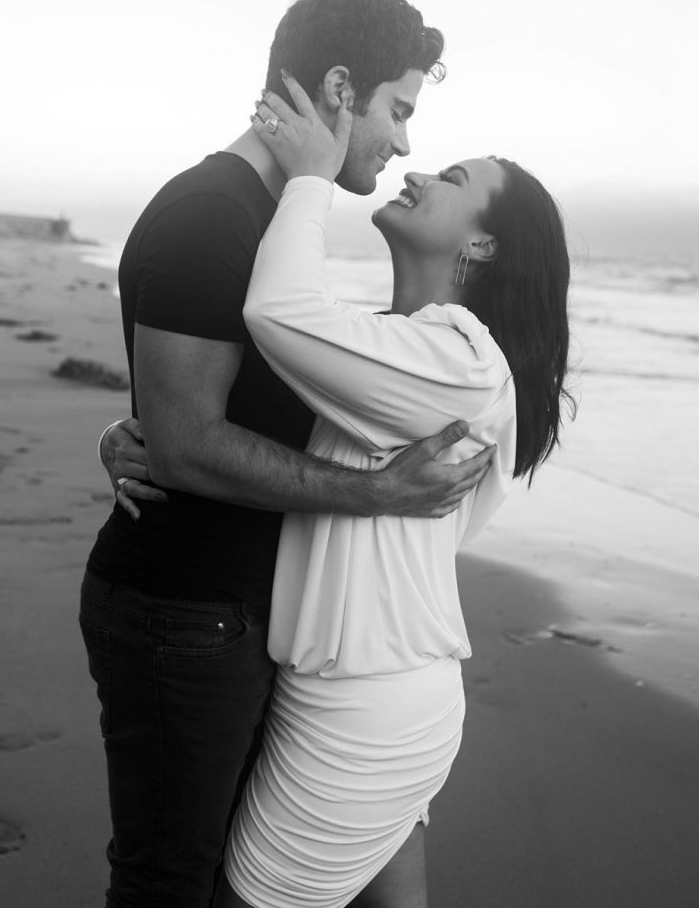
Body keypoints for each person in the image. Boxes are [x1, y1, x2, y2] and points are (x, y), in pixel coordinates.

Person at [81, 0, 496, 908]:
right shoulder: (211, 213)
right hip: (182, 609)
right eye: (397, 109)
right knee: (169, 882)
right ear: (341, 90)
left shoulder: (268, 221)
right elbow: (188, 445)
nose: (403, 144)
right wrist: (376, 494)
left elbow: (218, 405)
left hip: (234, 612)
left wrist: (134, 427)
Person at [201, 77, 572, 907]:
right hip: (374, 691)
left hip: (361, 708)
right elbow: (257, 422)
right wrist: (143, 433)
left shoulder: (460, 360)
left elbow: (279, 309)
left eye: (451, 179)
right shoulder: (396, 351)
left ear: (481, 246)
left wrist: (309, 176)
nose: (415, 169)